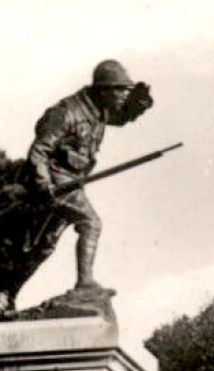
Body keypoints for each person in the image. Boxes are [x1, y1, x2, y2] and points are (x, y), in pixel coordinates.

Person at [25, 59, 153, 299]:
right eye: (121, 90)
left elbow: (122, 117)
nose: (124, 96)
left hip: (72, 180)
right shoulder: (67, 112)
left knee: (44, 244)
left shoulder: (98, 110)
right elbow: (39, 151)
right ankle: (85, 284)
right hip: (56, 180)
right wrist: (43, 185)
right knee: (91, 223)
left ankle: (3, 296)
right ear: (103, 90)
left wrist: (139, 104)